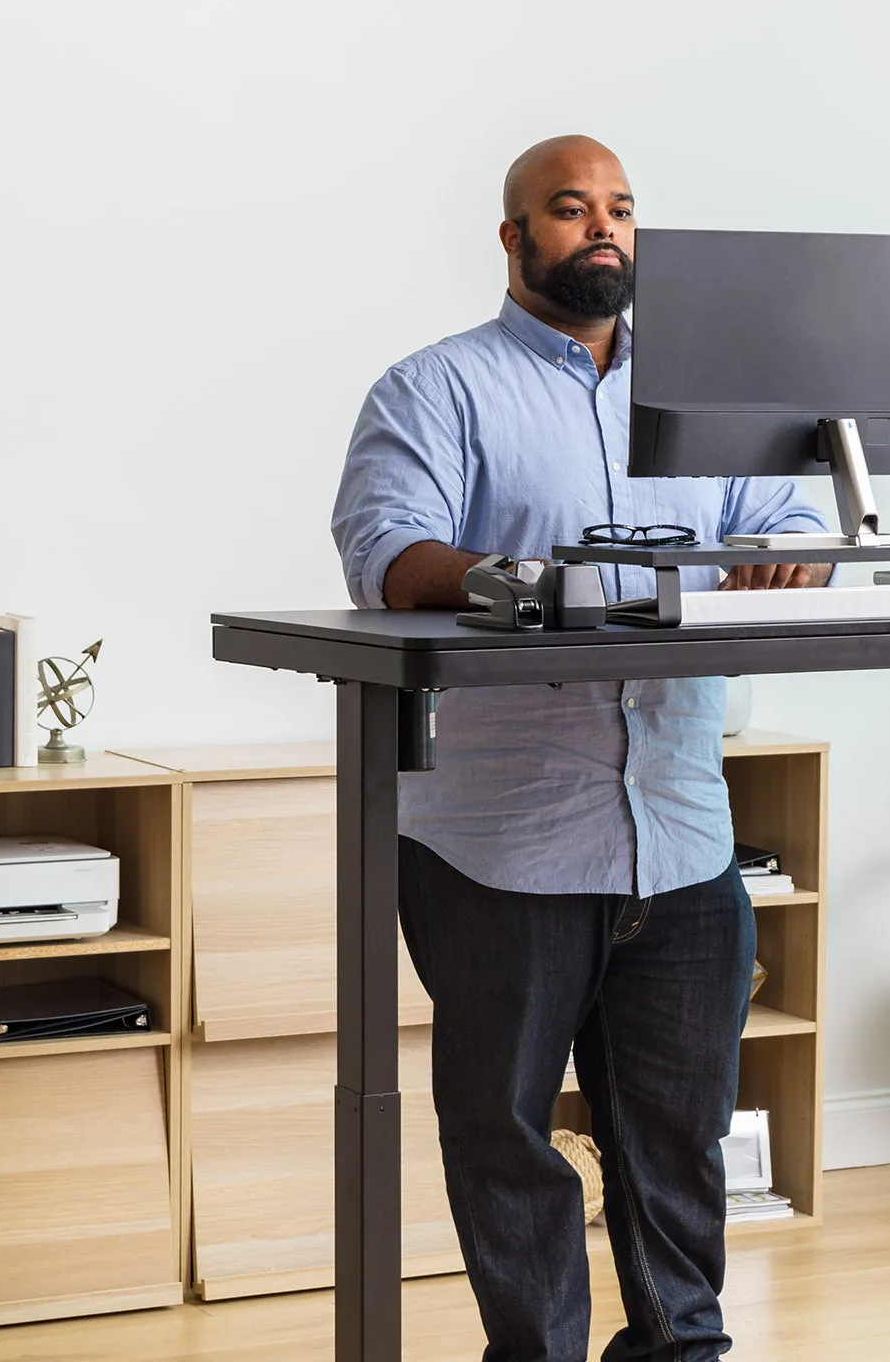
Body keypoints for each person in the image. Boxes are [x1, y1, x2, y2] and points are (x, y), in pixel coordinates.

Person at [331, 134, 832, 1362]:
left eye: (617, 209)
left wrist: (796, 554)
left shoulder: (708, 399)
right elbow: (386, 548)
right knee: (507, 1137)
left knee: (678, 1137)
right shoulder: (433, 387)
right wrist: (526, 580)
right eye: (568, 209)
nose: (599, 228)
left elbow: (799, 520)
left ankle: (681, 1349)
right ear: (514, 239)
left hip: (681, 837)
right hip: (505, 845)